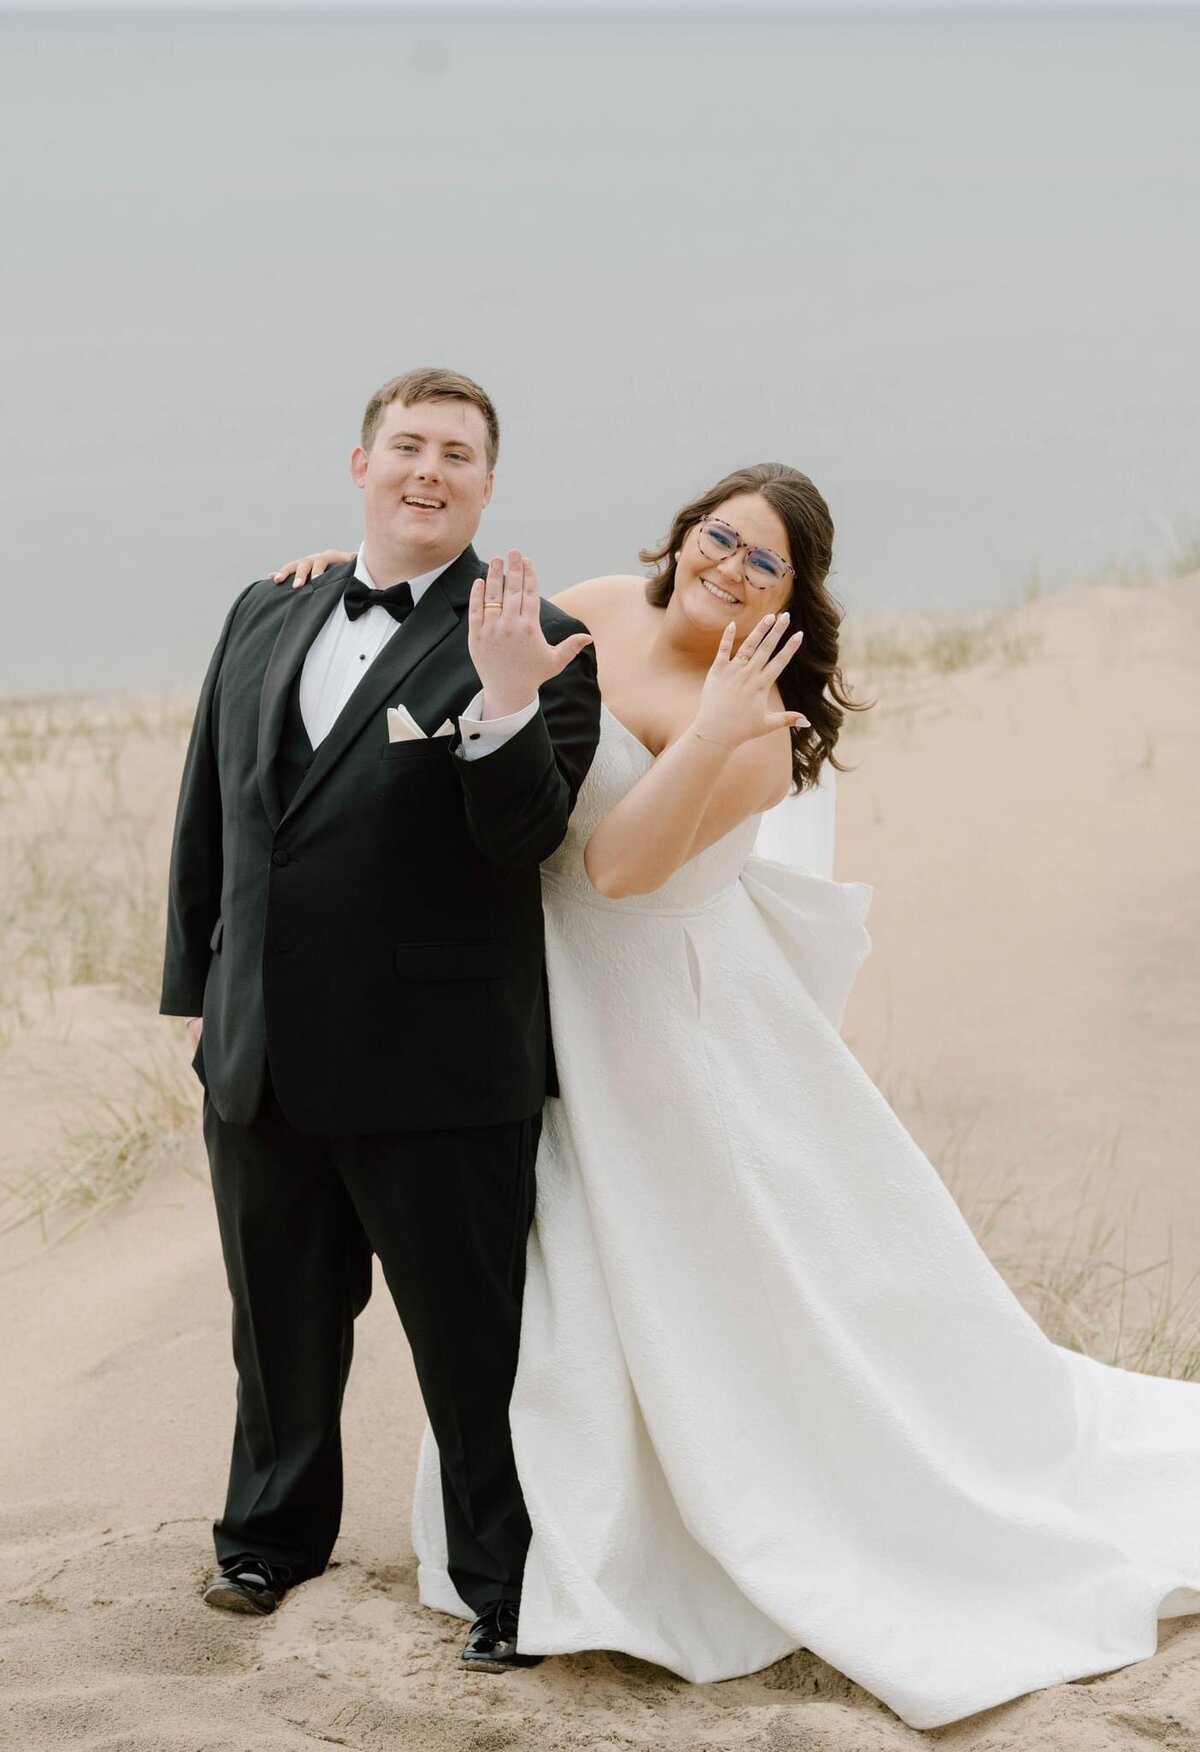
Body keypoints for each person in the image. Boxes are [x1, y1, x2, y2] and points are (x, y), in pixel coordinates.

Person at [274, 463, 1200, 1731]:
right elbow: (458, 658)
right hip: (538, 1006)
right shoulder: (596, 600)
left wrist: (711, 724)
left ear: (792, 596)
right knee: (558, 1280)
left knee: (692, 1280)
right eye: (720, 536)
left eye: (763, 562)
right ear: (683, 532)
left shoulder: (762, 737)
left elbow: (618, 865)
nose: (728, 567)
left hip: (660, 1026)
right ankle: (544, 1534)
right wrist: (328, 584)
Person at [160, 367, 601, 1672]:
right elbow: (216, 809)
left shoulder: (538, 634)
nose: (429, 470)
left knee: (471, 1353)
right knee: (278, 1328)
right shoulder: (263, 609)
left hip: (438, 1069)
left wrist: (510, 700)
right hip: (260, 1055)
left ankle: (504, 1591)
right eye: (406, 445)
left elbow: (521, 836)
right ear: (360, 466)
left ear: (486, 485)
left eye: (457, 454)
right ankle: (268, 1541)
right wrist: (198, 994)